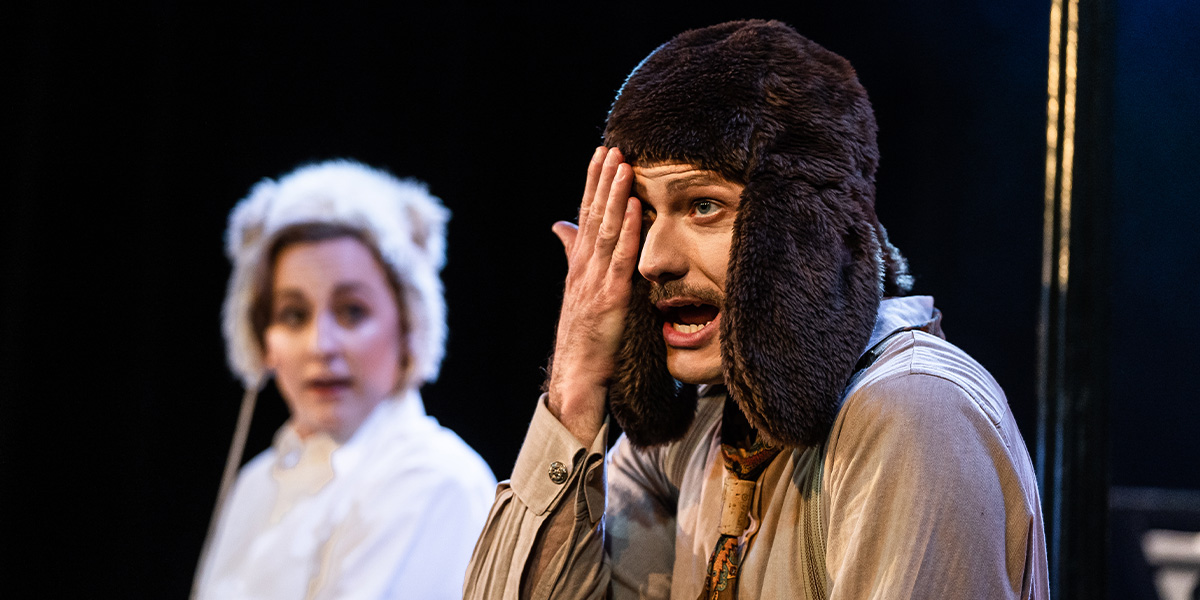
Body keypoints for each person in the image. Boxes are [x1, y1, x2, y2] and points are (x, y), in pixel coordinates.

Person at [465, 20, 1049, 599]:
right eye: (647, 213)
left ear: (802, 231)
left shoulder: (913, 412)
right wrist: (575, 380)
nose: (652, 261)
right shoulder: (698, 427)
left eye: (702, 206)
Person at [194, 159, 496, 599]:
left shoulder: (436, 480)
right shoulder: (256, 483)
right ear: (262, 341)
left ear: (408, 327)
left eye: (352, 311)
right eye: (293, 315)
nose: (321, 345)